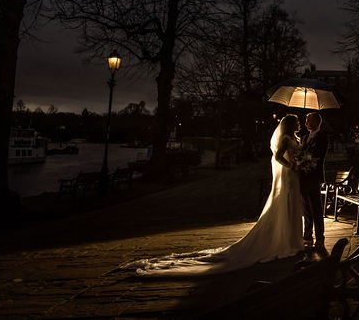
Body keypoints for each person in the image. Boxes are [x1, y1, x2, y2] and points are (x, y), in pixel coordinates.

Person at [127, 115, 304, 276]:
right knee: (285, 204)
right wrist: (291, 166)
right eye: (296, 122)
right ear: (290, 125)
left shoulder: (295, 138)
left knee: (292, 205)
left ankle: (291, 239)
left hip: (294, 177)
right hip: (289, 176)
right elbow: (278, 157)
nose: (299, 123)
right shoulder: (286, 139)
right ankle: (285, 240)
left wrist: (301, 161)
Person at [299, 111, 330, 251]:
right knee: (306, 208)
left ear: (317, 122)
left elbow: (317, 157)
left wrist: (301, 159)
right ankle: (307, 236)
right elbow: (301, 154)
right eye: (305, 120)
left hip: (314, 177)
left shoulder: (322, 137)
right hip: (303, 177)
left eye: (308, 120)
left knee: (316, 209)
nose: (305, 123)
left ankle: (320, 238)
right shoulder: (304, 137)